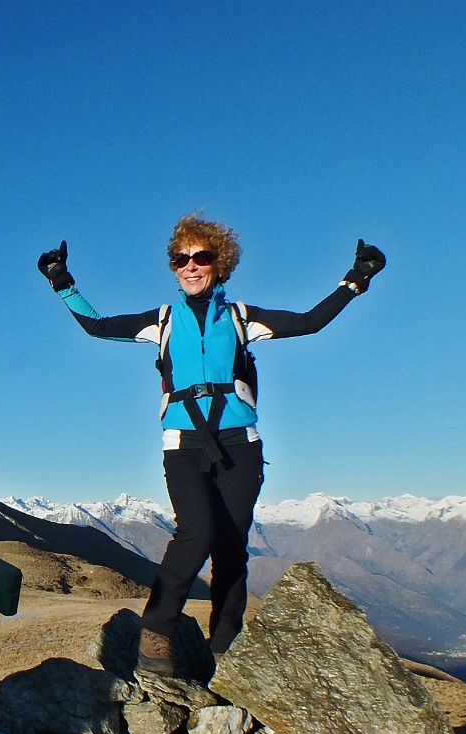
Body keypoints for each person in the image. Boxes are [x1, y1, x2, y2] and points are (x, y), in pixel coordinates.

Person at [38, 213, 384, 682]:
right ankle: (156, 630)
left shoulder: (242, 318)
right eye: (182, 259)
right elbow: (96, 327)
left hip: (241, 446)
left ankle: (225, 648)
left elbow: (309, 322)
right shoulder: (160, 322)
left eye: (201, 257)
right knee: (195, 533)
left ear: (220, 264)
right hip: (182, 444)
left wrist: (357, 278)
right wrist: (62, 282)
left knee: (231, 549)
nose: (191, 266)